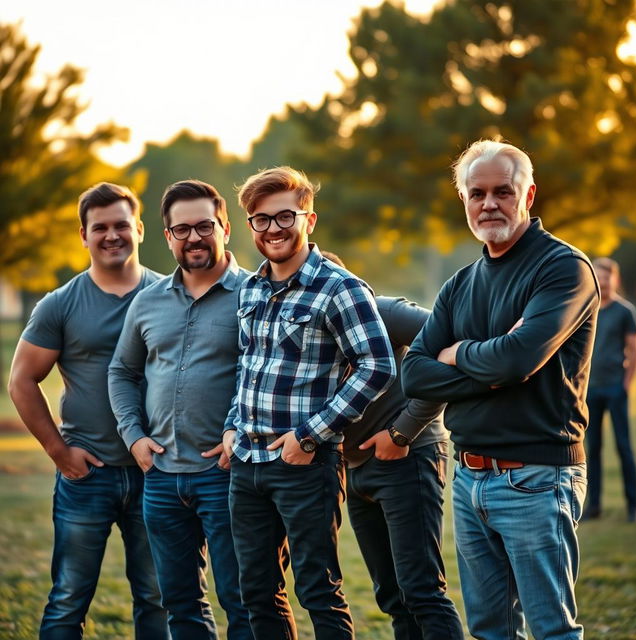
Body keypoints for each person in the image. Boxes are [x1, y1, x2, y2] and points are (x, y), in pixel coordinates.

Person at [402, 139, 599, 640]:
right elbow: (416, 375)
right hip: (468, 480)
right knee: (490, 630)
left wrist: (459, 352)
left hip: (536, 476)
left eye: (503, 191)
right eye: (477, 193)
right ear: (465, 200)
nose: (489, 203)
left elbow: (518, 360)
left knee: (552, 629)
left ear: (528, 195)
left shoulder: (562, 269)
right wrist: (490, 361)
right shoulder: (460, 285)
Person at [223, 167, 396, 640]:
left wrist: (308, 436)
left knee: (318, 590)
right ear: (250, 226)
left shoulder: (340, 288)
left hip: (304, 463)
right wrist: (232, 424)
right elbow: (248, 364)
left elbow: (377, 366)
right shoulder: (251, 288)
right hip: (247, 462)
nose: (273, 228)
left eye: (285, 216)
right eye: (261, 219)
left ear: (309, 219)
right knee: (256, 591)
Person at [8, 183, 168, 639]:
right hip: (87, 475)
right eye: (100, 227)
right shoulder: (60, 304)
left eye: (121, 225)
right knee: (68, 599)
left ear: (139, 228)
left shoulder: (169, 295)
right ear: (84, 235)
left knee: (159, 599)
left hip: (157, 473)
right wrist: (59, 452)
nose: (111, 235)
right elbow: (21, 380)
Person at [108, 180, 252, 640]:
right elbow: (122, 372)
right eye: (182, 229)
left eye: (204, 226)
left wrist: (241, 432)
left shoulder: (256, 296)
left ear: (225, 227)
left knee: (245, 600)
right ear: (167, 236)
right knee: (180, 605)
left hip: (230, 475)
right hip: (162, 478)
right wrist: (134, 436)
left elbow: (266, 375)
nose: (194, 237)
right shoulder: (146, 303)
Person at [321, 251, 464, 640]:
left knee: (422, 591)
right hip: (354, 468)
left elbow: (448, 347)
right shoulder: (310, 328)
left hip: (408, 456)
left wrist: (402, 431)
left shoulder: (383, 312)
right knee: (392, 596)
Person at [585, 257, 636, 522]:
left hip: (615, 388)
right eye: (597, 275)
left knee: (623, 446)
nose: (602, 280)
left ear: (614, 279)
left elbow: (634, 351)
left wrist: (625, 385)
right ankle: (593, 507)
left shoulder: (625, 311)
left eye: (606, 276)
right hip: (590, 391)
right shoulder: (587, 309)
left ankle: (634, 506)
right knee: (592, 447)